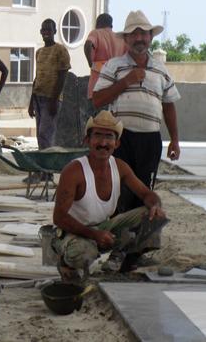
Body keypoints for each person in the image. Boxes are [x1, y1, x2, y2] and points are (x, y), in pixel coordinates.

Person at [52, 111, 167, 283]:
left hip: (104, 227)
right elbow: (59, 217)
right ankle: (65, 263)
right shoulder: (74, 171)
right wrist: (93, 234)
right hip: (75, 232)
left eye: (109, 137)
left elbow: (146, 194)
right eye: (98, 136)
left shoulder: (120, 167)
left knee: (152, 215)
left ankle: (126, 260)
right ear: (87, 141)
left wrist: (155, 205)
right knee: (82, 255)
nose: (103, 143)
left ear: (117, 143)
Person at [92, 10, 180, 218]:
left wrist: (175, 140)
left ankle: (137, 246)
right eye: (134, 34)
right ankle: (118, 240)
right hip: (122, 140)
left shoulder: (161, 70)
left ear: (150, 38)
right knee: (120, 190)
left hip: (150, 140)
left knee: (144, 191)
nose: (139, 38)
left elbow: (168, 106)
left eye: (144, 34)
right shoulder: (113, 66)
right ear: (126, 39)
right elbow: (97, 100)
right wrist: (126, 81)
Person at [29, 19, 71, 152]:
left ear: (54, 31)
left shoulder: (60, 50)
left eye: (49, 30)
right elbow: (37, 77)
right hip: (38, 98)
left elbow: (62, 76)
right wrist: (31, 102)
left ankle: (48, 170)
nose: (46, 32)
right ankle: (43, 170)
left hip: (51, 99)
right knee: (40, 137)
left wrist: (54, 100)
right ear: (41, 32)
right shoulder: (39, 52)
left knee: (45, 134)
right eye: (44, 30)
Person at [83, 13, 127, 100]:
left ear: (98, 24)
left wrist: (90, 62)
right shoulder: (121, 38)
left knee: (96, 112)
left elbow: (88, 44)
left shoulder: (96, 33)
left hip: (98, 83)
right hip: (115, 82)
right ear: (111, 25)